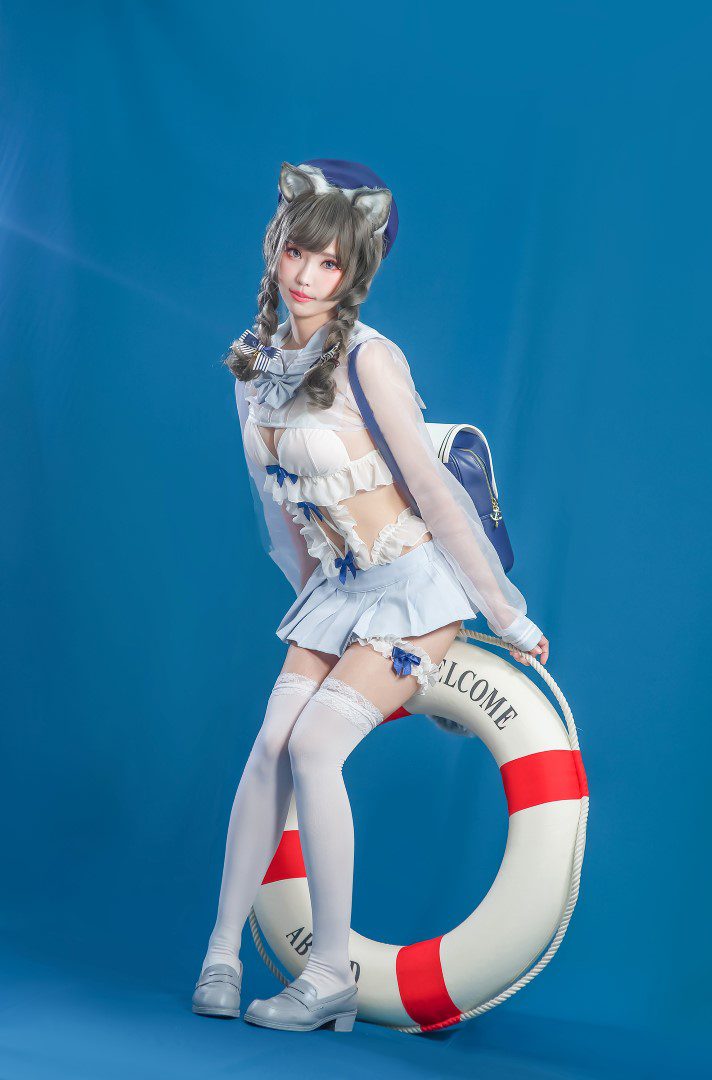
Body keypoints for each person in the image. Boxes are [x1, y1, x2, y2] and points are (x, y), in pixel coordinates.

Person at [192, 159, 550, 1033]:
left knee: (315, 747)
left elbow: (433, 492)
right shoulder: (254, 367)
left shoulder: (369, 358)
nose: (307, 276)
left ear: (354, 272)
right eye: (296, 254)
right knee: (270, 746)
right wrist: (313, 610)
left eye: (329, 263)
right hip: (340, 592)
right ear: (275, 249)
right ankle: (222, 954)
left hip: (414, 588)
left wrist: (505, 614)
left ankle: (329, 976)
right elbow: (277, 511)